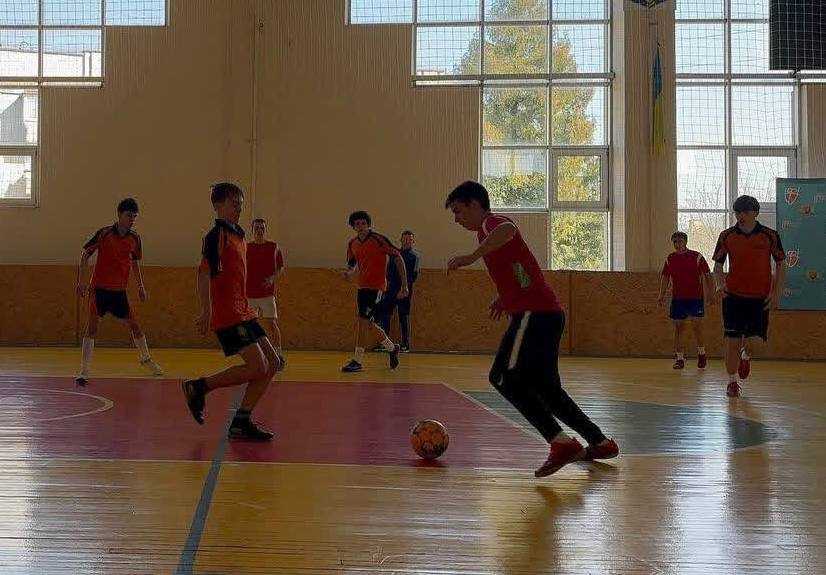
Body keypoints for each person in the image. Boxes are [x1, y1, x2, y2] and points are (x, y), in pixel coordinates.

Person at [445, 181, 618, 477]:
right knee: (548, 390)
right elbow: (520, 270)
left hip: (534, 314)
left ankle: (560, 441)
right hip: (546, 314)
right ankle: (599, 442)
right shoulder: (485, 233)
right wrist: (505, 297)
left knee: (503, 377)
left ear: (475, 204)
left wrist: (471, 257)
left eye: (458, 211)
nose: (456, 219)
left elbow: (508, 230)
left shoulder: (491, 224)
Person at [181, 182, 281, 440]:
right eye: (233, 204)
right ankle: (199, 387)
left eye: (240, 205)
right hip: (228, 314)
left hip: (244, 310)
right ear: (217, 206)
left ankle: (241, 421)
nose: (238, 209)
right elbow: (204, 273)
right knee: (258, 366)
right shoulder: (216, 236)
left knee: (273, 363)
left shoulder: (238, 234)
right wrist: (206, 310)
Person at [75, 198, 163, 386]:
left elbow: (135, 263)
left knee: (135, 326)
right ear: (119, 215)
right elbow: (85, 255)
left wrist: (141, 286)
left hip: (119, 292)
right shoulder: (104, 233)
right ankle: (84, 370)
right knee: (92, 328)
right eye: (129, 216)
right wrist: (81, 282)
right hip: (99, 290)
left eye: (134, 217)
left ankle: (146, 359)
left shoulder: (135, 239)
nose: (132, 220)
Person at [712, 195, 786, 398]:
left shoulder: (770, 236)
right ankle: (732, 382)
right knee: (732, 341)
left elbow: (781, 264)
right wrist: (719, 284)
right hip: (733, 297)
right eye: (737, 212)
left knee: (755, 344)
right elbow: (717, 266)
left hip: (759, 298)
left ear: (755, 213)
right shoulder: (726, 236)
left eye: (745, 212)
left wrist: (776, 292)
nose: (741, 216)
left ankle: (746, 356)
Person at [341, 211, 407, 373]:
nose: (361, 226)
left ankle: (357, 360)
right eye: (357, 224)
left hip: (376, 287)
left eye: (363, 223)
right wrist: (349, 273)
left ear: (368, 224)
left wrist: (404, 285)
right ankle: (392, 348)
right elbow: (352, 263)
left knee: (362, 322)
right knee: (369, 324)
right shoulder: (352, 243)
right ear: (353, 226)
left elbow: (397, 257)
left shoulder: (378, 240)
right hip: (362, 287)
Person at [657, 231, 714, 370]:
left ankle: (701, 354)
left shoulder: (697, 256)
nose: (677, 244)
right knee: (679, 328)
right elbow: (665, 277)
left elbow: (708, 275)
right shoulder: (670, 259)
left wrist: (711, 294)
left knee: (697, 326)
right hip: (678, 299)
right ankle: (679, 358)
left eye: (680, 241)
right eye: (675, 242)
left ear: (685, 242)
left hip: (695, 298)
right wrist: (661, 295)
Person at [246, 217, 286, 366]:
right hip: (249, 294)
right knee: (250, 326)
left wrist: (272, 278)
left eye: (262, 228)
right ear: (252, 230)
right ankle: (255, 356)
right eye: (257, 228)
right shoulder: (246, 248)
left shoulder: (273, 247)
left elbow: (280, 267)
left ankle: (278, 354)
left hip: (267, 294)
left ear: (265, 229)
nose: (259, 230)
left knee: (271, 323)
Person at [378, 230, 420, 352]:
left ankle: (405, 344)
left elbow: (413, 276)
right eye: (405, 239)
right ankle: (385, 344)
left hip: (404, 291)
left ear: (413, 241)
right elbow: (388, 271)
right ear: (401, 240)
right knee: (385, 315)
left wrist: (403, 289)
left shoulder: (414, 256)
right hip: (390, 289)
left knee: (403, 316)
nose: (407, 241)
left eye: (409, 239)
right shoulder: (394, 254)